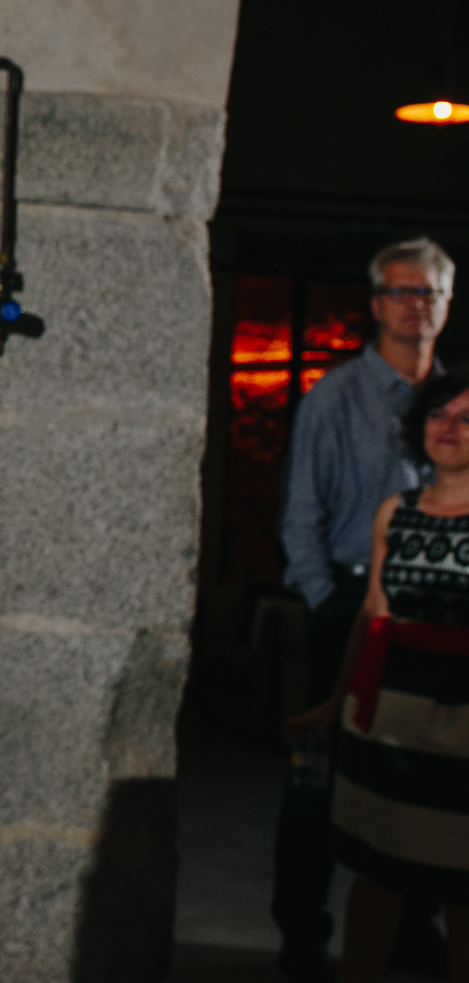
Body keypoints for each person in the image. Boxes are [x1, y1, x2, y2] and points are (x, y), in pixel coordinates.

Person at [274, 238, 453, 982]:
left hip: (435, 615)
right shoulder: (335, 396)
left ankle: (415, 932)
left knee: (420, 779)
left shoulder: (454, 401)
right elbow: (300, 517)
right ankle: (304, 934)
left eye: (432, 294)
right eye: (404, 292)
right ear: (377, 303)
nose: (419, 306)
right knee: (319, 781)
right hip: (349, 599)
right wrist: (327, 604)